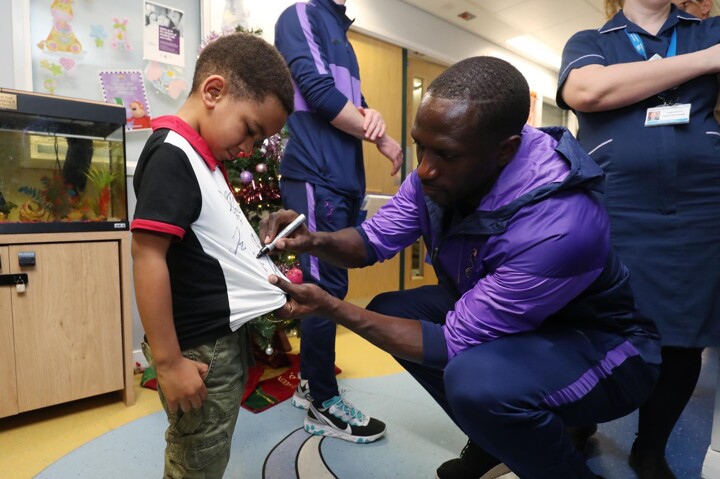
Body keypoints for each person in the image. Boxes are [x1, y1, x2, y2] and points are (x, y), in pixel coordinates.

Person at [261, 56, 662, 479]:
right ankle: (495, 438)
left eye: (446, 155)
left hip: (604, 350)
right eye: (420, 146)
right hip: (526, 327)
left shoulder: (561, 223)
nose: (424, 169)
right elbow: (369, 242)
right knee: (391, 310)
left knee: (475, 383)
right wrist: (313, 239)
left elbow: (451, 343)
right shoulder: (443, 171)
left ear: (505, 150)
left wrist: (331, 307)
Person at [557, 1, 720, 478]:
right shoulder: (591, 42)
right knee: (595, 327)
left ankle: (649, 448)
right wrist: (708, 60)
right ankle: (579, 422)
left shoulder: (708, 29)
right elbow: (588, 90)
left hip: (698, 208)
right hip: (615, 205)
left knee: (683, 337)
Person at [130, 32, 294, 478]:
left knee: (212, 446)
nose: (248, 150)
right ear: (214, 92)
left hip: (219, 340)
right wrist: (168, 363)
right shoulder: (172, 155)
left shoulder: (203, 159)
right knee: (198, 458)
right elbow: (147, 257)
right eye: (250, 130)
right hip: (196, 351)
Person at [273, 0, 403, 443]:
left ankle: (311, 384)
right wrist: (380, 135)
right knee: (322, 290)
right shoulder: (302, 14)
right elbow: (318, 91)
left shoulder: (338, 29)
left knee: (333, 286)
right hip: (316, 173)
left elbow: (351, 103)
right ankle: (322, 403)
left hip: (343, 178)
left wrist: (372, 117)